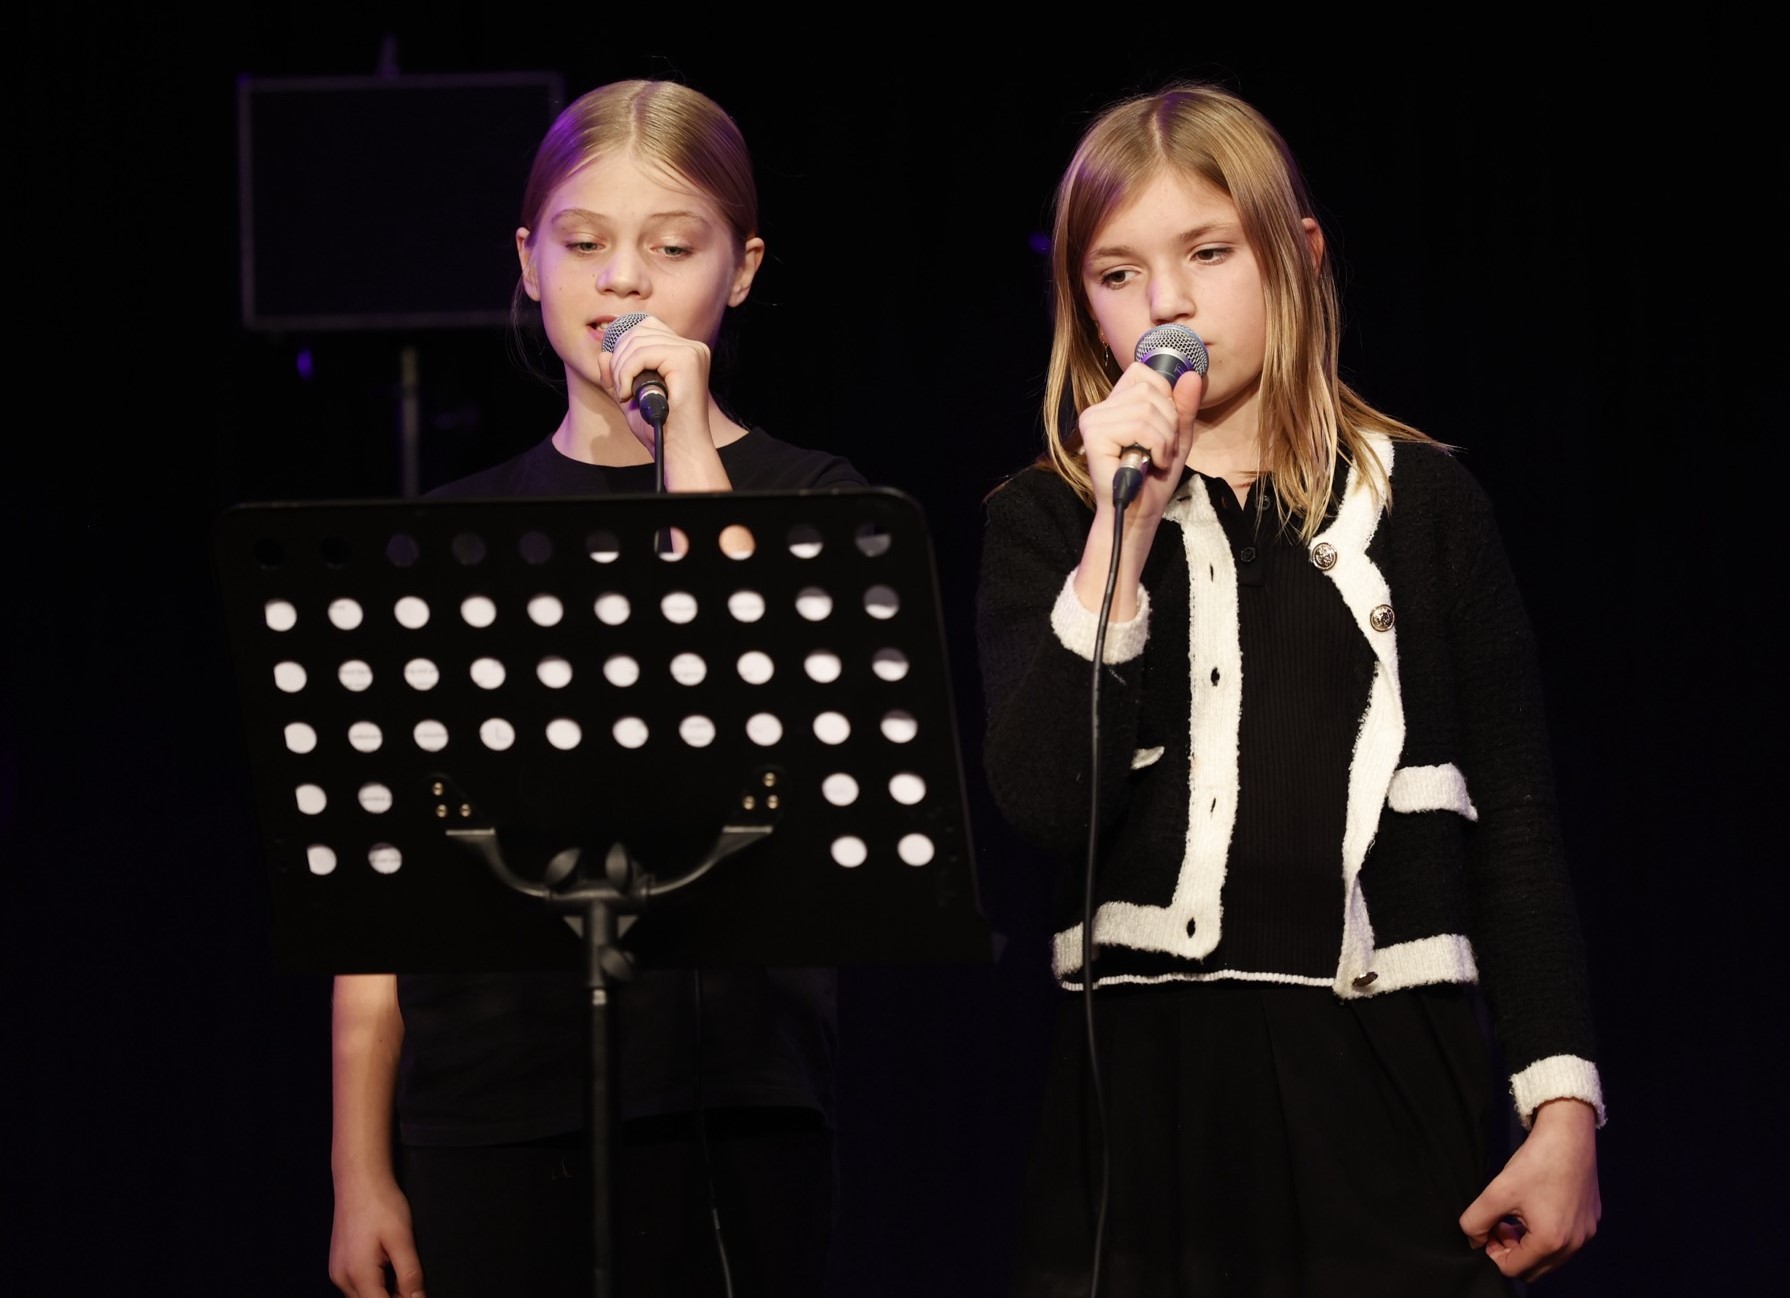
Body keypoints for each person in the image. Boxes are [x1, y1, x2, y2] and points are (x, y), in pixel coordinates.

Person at [975, 82, 1602, 1297]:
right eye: (1117, 273)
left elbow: (1514, 824)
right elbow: (1046, 800)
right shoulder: (1048, 517)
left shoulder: (1424, 508)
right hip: (1145, 1095)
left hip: (1378, 1072)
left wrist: (1559, 1101)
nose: (1166, 302)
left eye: (1207, 253)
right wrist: (1123, 536)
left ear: (1294, 256)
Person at [327, 78, 863, 1298]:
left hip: (731, 1098)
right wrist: (362, 1167)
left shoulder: (810, 497)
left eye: (671, 248)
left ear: (738, 267)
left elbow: (762, 706)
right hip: (491, 1107)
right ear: (529, 262)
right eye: (583, 244)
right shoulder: (446, 536)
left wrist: (682, 444)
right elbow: (383, 897)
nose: (622, 280)